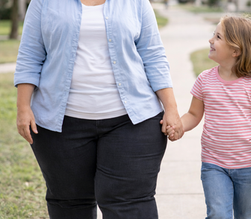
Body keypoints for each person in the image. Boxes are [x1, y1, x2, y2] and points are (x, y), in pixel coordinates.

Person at [14, 0, 183, 218]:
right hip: (60, 123)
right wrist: (23, 107)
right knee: (70, 203)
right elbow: (30, 54)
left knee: (130, 204)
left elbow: (153, 55)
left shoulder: (136, 2)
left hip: (133, 121)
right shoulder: (44, 3)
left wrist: (171, 107)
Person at [165, 15, 251, 218]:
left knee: (247, 214)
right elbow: (193, 114)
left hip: (249, 166)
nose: (210, 40)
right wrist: (178, 125)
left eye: (218, 37)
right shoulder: (205, 80)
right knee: (217, 214)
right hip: (214, 164)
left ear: (236, 50)